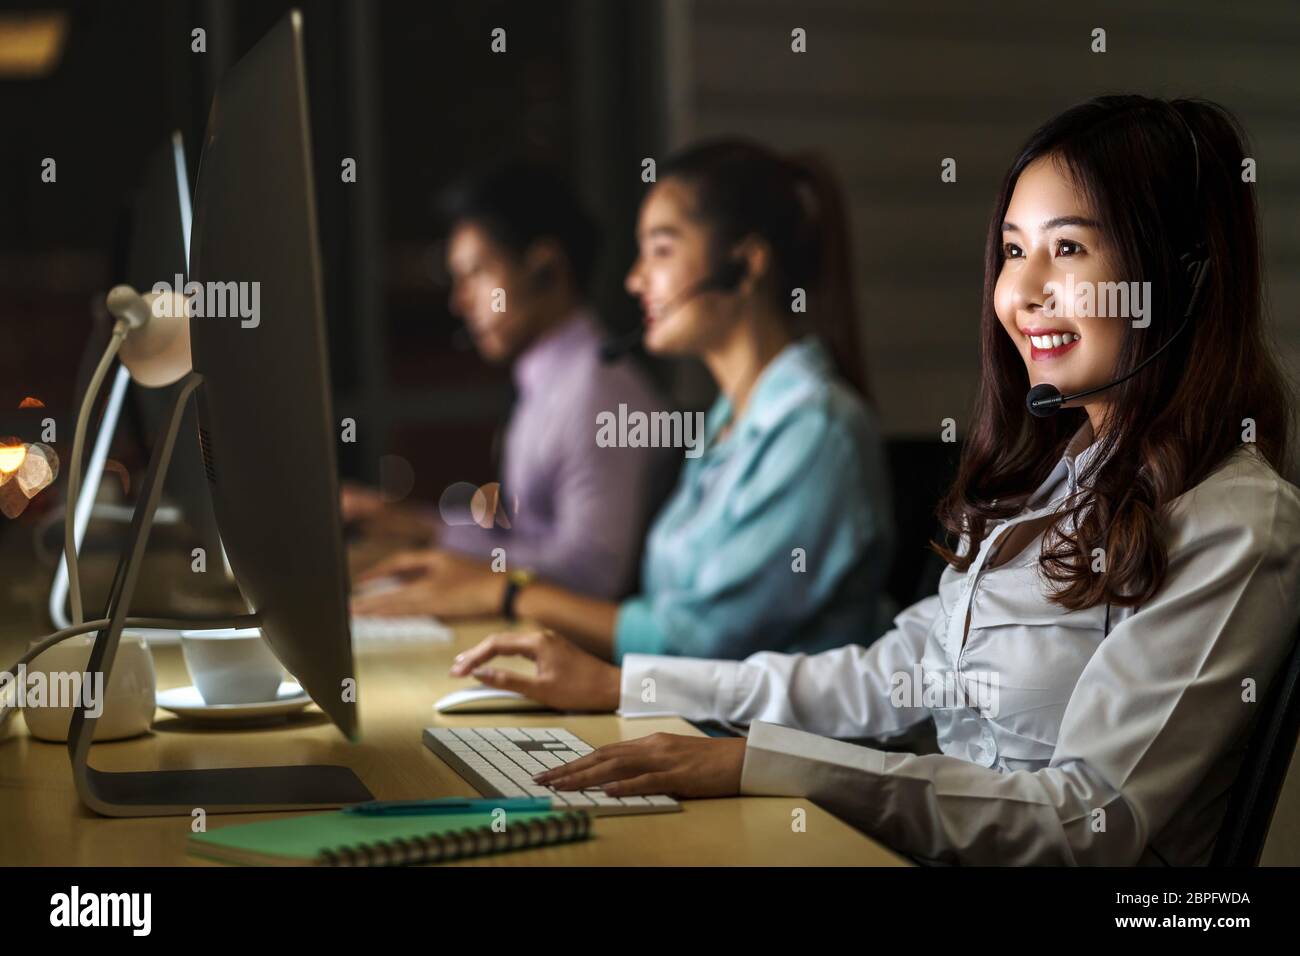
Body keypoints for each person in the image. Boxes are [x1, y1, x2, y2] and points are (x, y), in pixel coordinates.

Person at [447, 97, 1300, 866]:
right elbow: (890, 675)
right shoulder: (1056, 480)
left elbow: (1090, 822)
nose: (1023, 291)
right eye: (1011, 251)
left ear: (1182, 282)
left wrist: (770, 766)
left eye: (1067, 248)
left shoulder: (1236, 522)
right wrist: (630, 686)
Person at [356, 139, 896, 661]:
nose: (636, 280)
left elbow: (698, 641)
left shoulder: (813, 429)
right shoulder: (729, 421)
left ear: (747, 264)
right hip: (688, 720)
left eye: (661, 249)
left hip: (757, 744)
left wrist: (503, 591)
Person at [346, 160, 675, 600]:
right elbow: (527, 538)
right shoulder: (551, 378)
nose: (460, 303)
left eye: (477, 274)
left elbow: (592, 572)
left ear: (545, 268)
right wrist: (412, 525)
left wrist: (432, 539)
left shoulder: (597, 391)